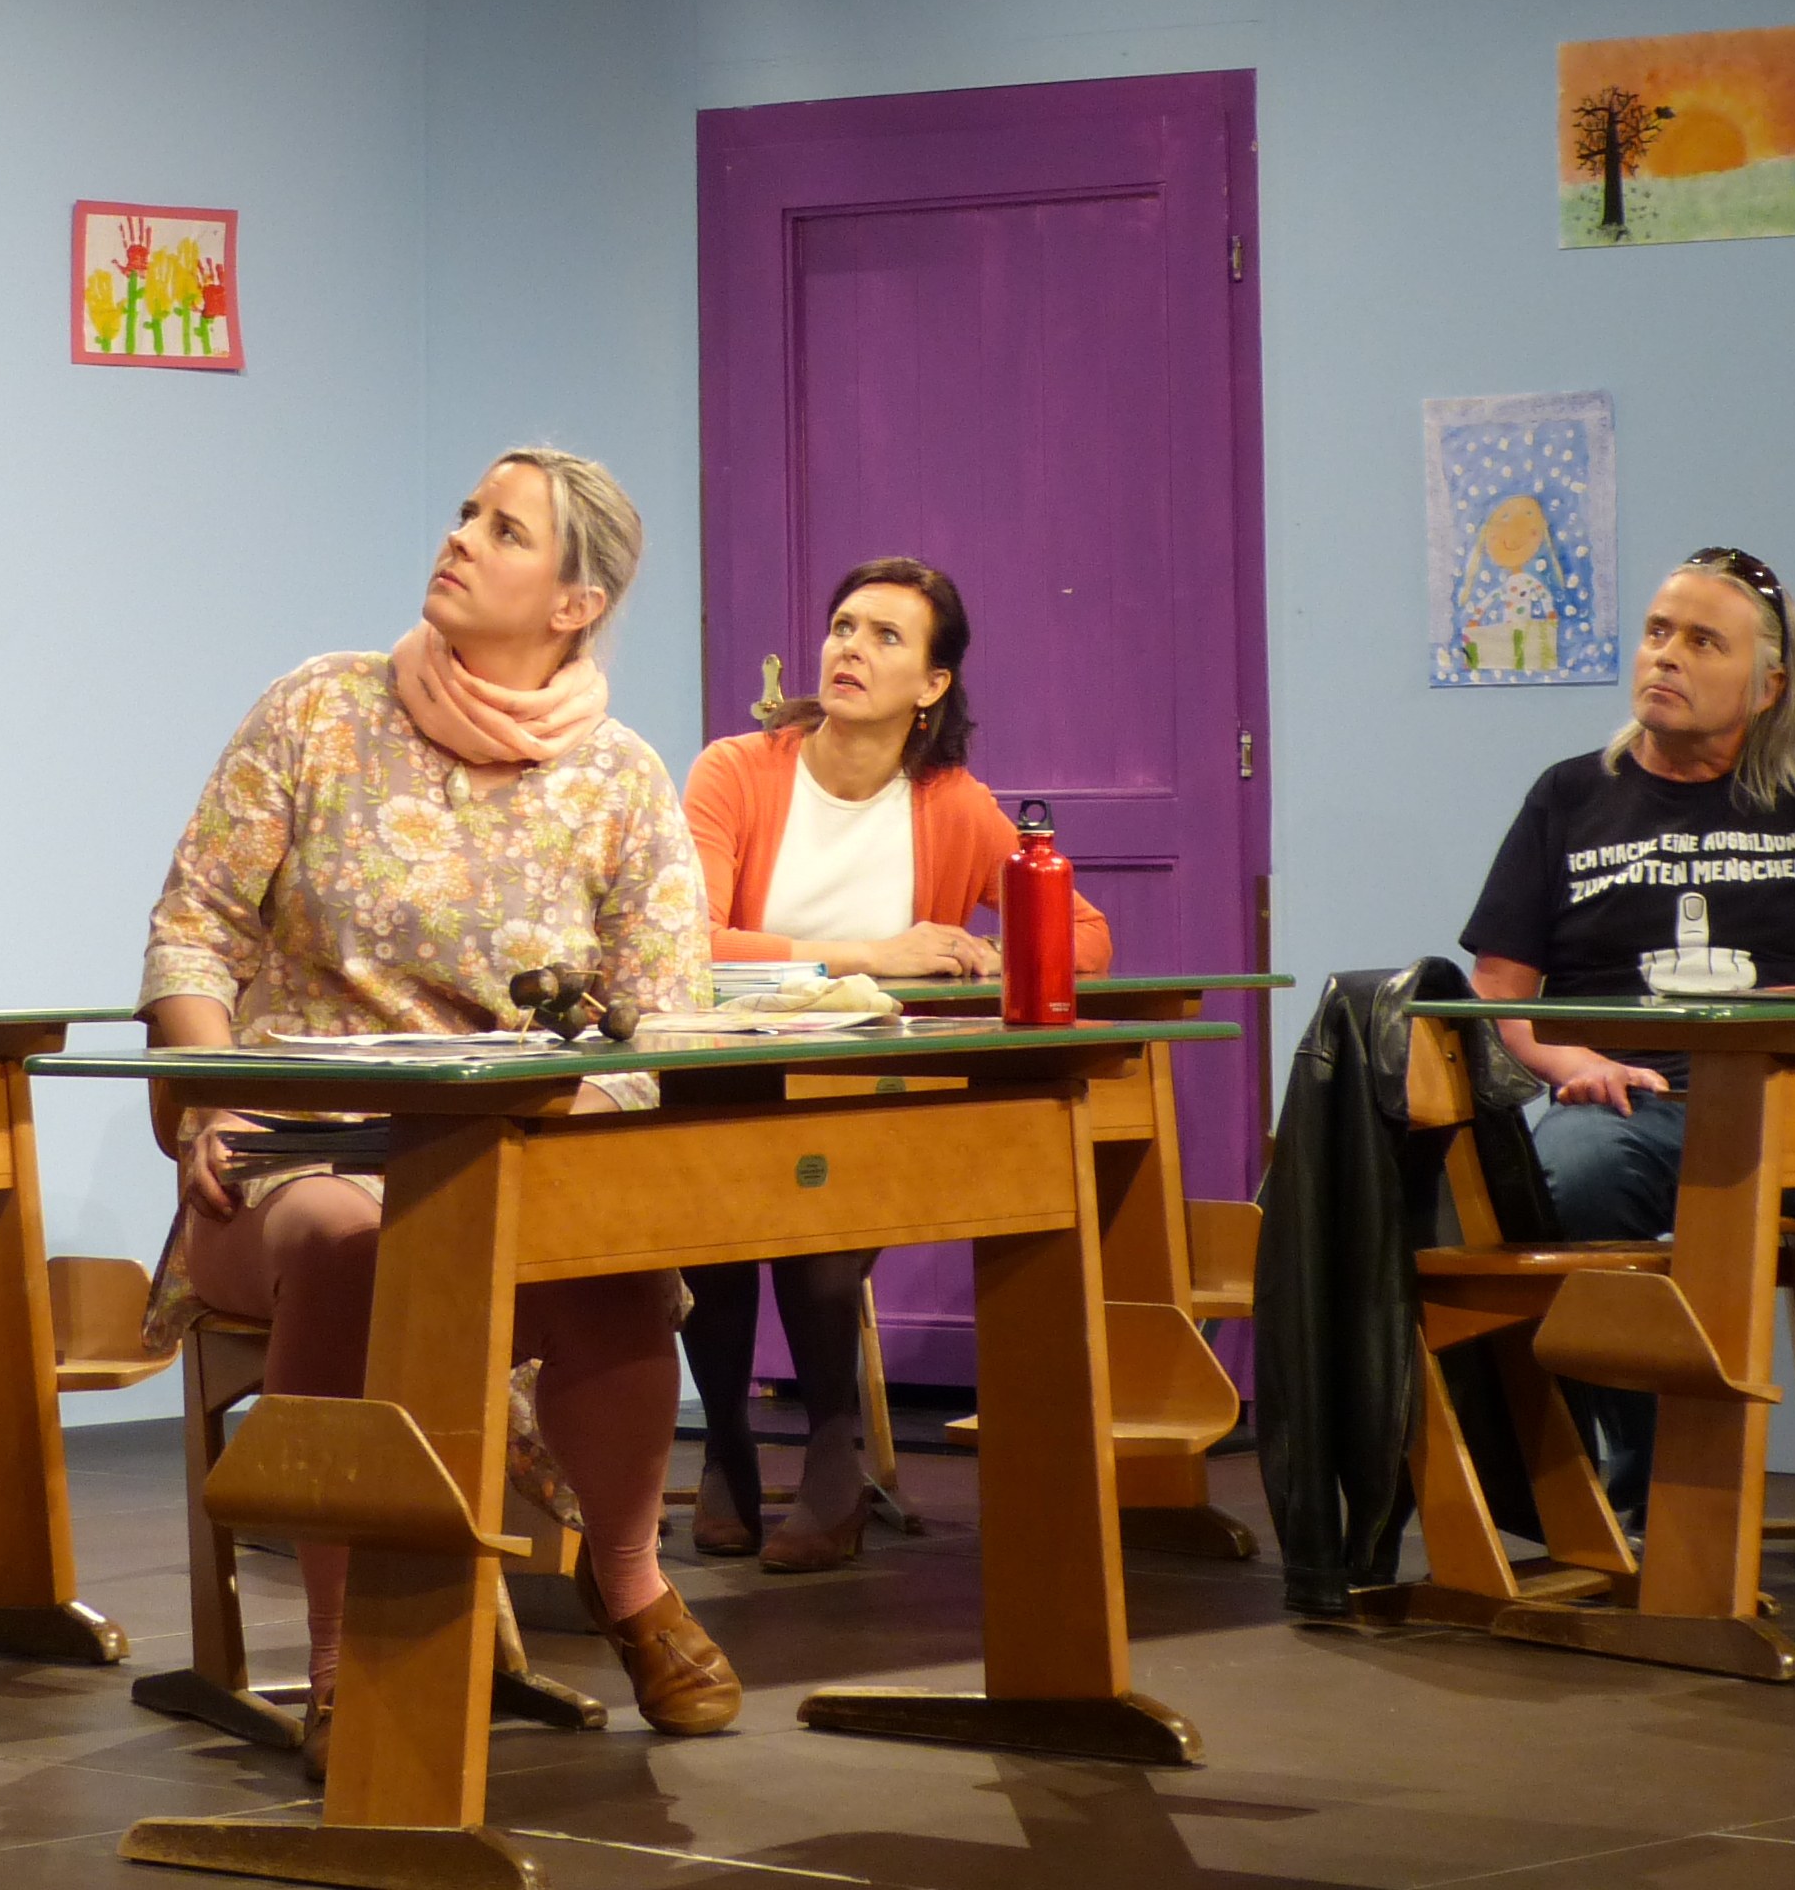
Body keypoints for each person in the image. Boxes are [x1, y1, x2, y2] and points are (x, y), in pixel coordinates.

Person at [140, 449, 737, 1776]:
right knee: (357, 1244)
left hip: (511, 1154)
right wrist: (213, 1098)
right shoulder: (318, 710)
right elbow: (194, 929)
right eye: (467, 514)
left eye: (503, 529)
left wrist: (577, 1126)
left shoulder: (621, 778)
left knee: (619, 1259)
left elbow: (660, 1021)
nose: (460, 538)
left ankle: (629, 1586)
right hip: (295, 1153)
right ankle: (346, 1664)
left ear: (575, 603)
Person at [1462, 546, 1795, 1610]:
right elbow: (1498, 995)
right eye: (1657, 632)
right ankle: (1640, 1497)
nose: (1664, 656)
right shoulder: (1569, 799)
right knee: (1578, 1170)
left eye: (1701, 641)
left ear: (1766, 686)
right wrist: (1570, 1060)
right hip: (1637, 1111)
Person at [676, 560, 1113, 1569]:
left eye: (884, 637)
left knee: (819, 1209)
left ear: (932, 683)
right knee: (711, 1198)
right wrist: (875, 953)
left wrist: (986, 954)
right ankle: (728, 1446)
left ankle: (831, 1452)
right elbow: (690, 941)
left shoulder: (951, 803)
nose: (850, 649)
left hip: (868, 1086)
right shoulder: (736, 771)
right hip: (732, 1067)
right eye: (842, 626)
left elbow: (1086, 934)